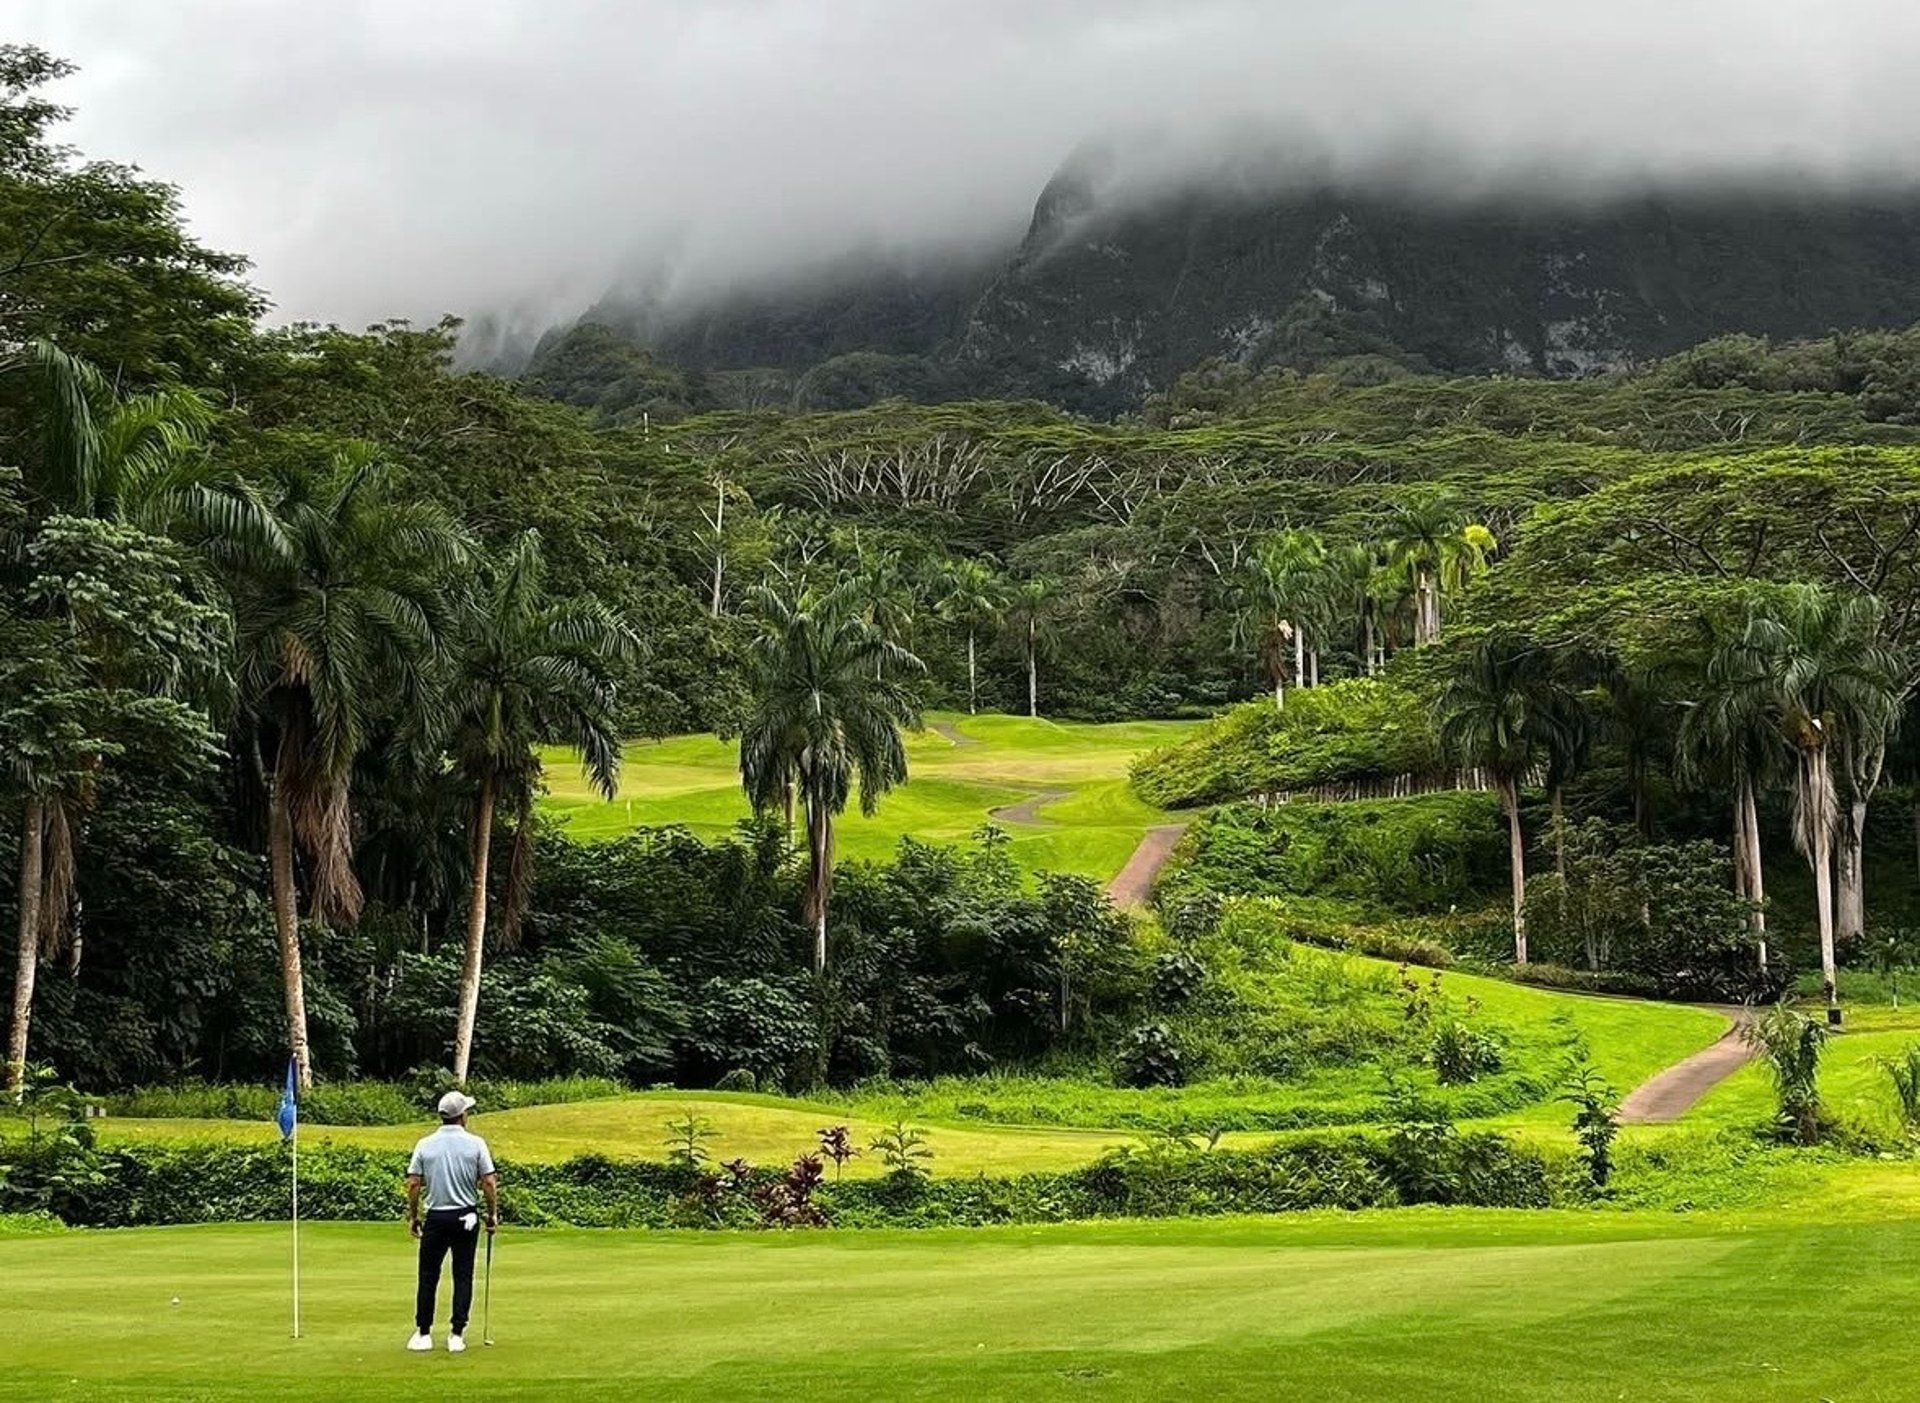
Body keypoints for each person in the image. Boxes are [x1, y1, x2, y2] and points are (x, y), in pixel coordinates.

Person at [405, 1089, 499, 1353]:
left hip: (436, 1216)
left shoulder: (425, 1144)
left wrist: (414, 1216)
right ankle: (456, 1334)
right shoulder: (476, 1143)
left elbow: (413, 1183)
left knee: (428, 1276)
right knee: (462, 1274)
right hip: (466, 1216)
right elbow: (489, 1182)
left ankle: (423, 1333)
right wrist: (492, 1215)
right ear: (462, 1115)